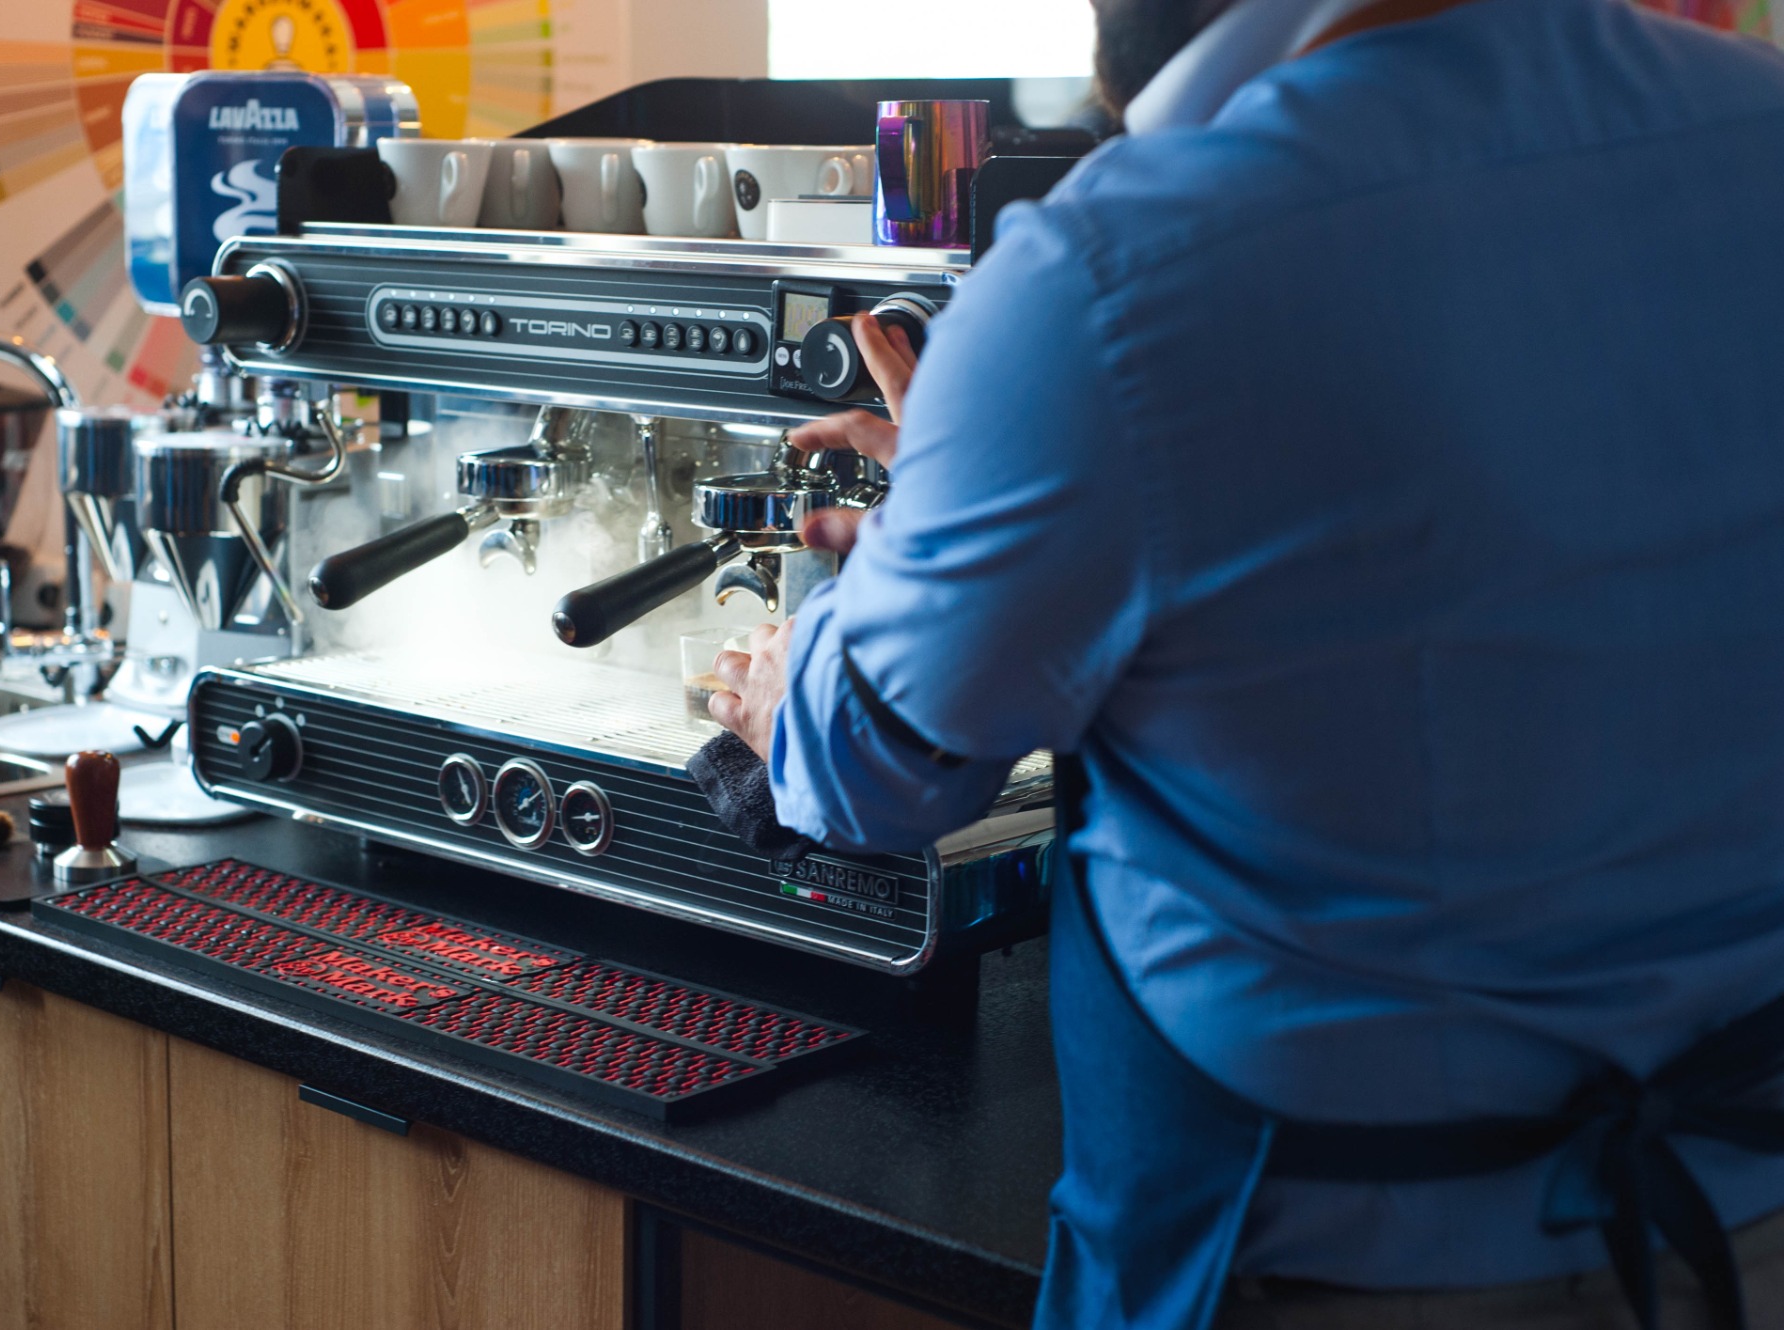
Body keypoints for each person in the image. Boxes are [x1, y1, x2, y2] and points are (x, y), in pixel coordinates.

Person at [705, 0, 1784, 1326]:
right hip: (1749, 1219)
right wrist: (1005, 496)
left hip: (1322, 1265)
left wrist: (815, 648)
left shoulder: (1112, 270)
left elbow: (883, 764)